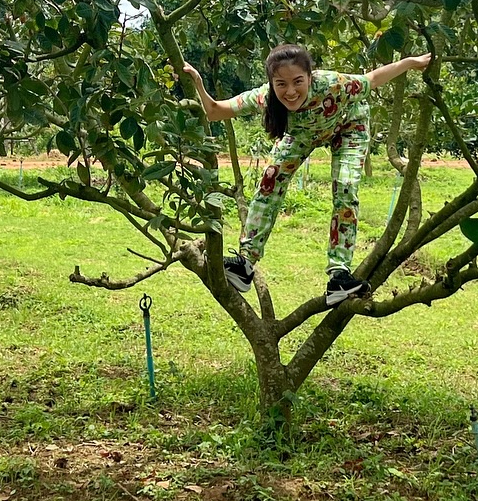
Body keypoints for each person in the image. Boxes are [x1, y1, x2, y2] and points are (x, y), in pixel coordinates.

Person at [181, 44, 434, 306]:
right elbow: (214, 111)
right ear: (272, 83)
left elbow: (372, 79)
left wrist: (409, 62)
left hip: (349, 126)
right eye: (281, 84)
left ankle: (339, 276)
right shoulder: (266, 97)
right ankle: (245, 263)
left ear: (310, 77)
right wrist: (197, 82)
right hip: (303, 134)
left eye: (298, 82)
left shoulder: (333, 84)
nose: (290, 92)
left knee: (345, 187)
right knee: (270, 179)